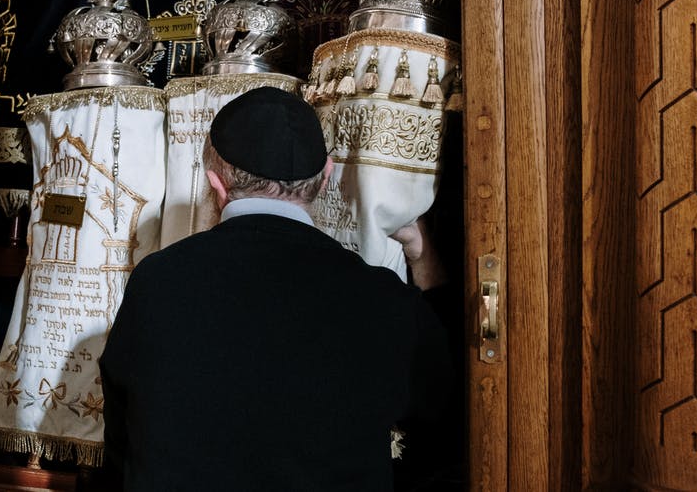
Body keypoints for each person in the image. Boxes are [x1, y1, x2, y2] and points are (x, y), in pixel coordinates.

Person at [99, 87, 453, 492]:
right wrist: (424, 258)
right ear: (326, 177)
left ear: (216, 183)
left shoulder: (155, 282)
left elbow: (121, 445)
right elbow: (445, 404)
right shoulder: (381, 297)